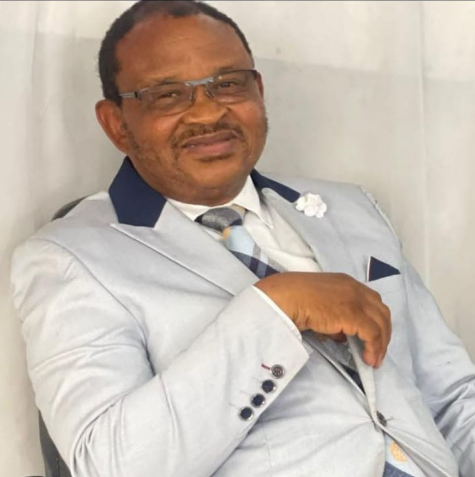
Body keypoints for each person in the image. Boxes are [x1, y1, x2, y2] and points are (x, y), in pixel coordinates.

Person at [11, 1, 475, 477]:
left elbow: (453, 397)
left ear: (259, 91)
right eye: (168, 95)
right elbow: (110, 465)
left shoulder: (355, 208)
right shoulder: (68, 259)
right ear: (116, 124)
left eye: (228, 83)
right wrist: (279, 307)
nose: (208, 111)